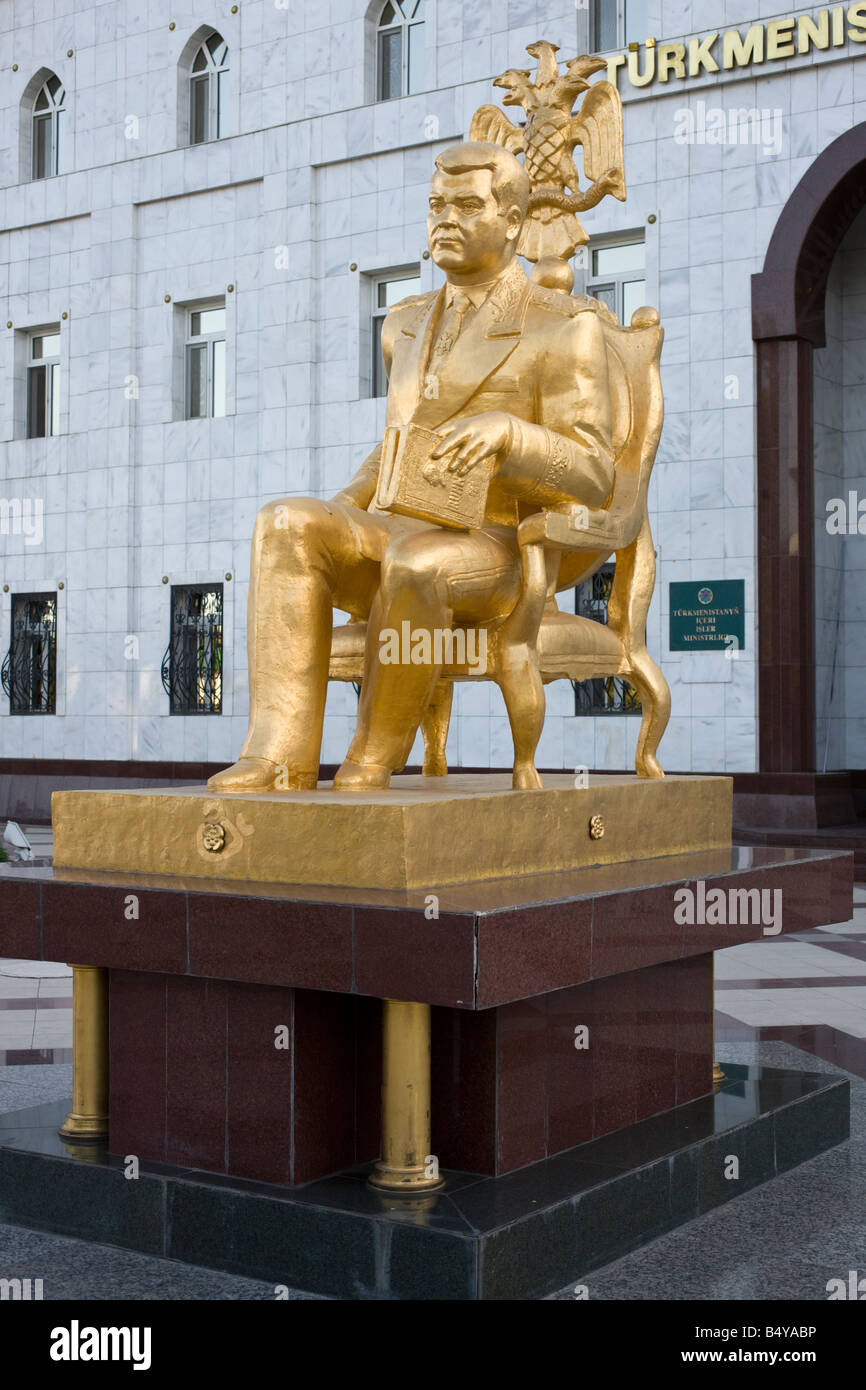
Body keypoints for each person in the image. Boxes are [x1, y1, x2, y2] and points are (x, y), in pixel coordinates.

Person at [208, 140, 613, 793]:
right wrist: (345, 503)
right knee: (286, 521)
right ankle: (278, 754)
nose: (445, 219)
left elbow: (596, 471)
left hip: (499, 550)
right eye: (436, 205)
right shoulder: (403, 322)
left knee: (418, 561)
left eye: (467, 205)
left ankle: (372, 756)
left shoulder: (564, 326)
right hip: (403, 524)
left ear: (512, 220)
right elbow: (400, 440)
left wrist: (512, 435)